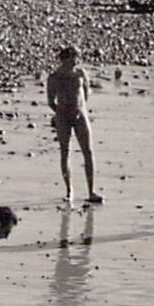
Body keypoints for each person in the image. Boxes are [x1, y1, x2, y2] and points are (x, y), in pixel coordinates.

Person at [46, 46, 102, 205]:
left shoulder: (81, 73)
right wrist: (61, 112)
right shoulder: (54, 77)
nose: (77, 60)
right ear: (66, 58)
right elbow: (51, 101)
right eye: (74, 57)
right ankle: (69, 191)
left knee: (88, 151)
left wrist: (80, 108)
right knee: (65, 152)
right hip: (63, 116)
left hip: (81, 115)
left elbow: (86, 93)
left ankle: (91, 191)